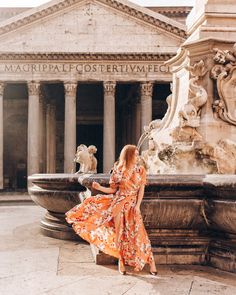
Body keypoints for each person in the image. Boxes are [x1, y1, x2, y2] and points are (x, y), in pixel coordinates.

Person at [65, 144, 157, 275]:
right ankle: (121, 261)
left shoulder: (140, 170)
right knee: (119, 234)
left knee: (140, 233)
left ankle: (151, 262)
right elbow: (113, 190)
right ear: (129, 155)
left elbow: (141, 189)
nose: (137, 157)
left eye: (137, 154)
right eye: (135, 154)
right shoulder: (118, 171)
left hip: (132, 205)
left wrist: (137, 206)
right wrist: (99, 188)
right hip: (118, 204)